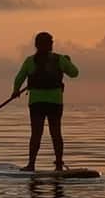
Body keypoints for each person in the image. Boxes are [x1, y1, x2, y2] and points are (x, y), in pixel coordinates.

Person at [13, 32, 80, 171]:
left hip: (37, 103)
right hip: (54, 102)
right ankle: (59, 165)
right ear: (51, 45)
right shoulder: (60, 59)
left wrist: (15, 91)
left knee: (36, 134)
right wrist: (69, 61)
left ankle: (31, 165)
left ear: (36, 45)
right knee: (56, 133)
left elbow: (19, 77)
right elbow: (74, 73)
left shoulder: (30, 61)